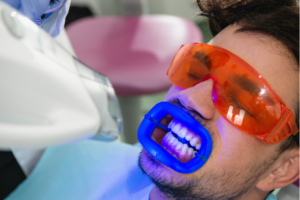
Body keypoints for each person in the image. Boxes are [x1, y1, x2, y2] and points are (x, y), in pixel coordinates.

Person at [138, 0, 299, 200]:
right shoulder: (89, 159)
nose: (189, 97)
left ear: (281, 168)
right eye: (196, 71)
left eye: (243, 102)